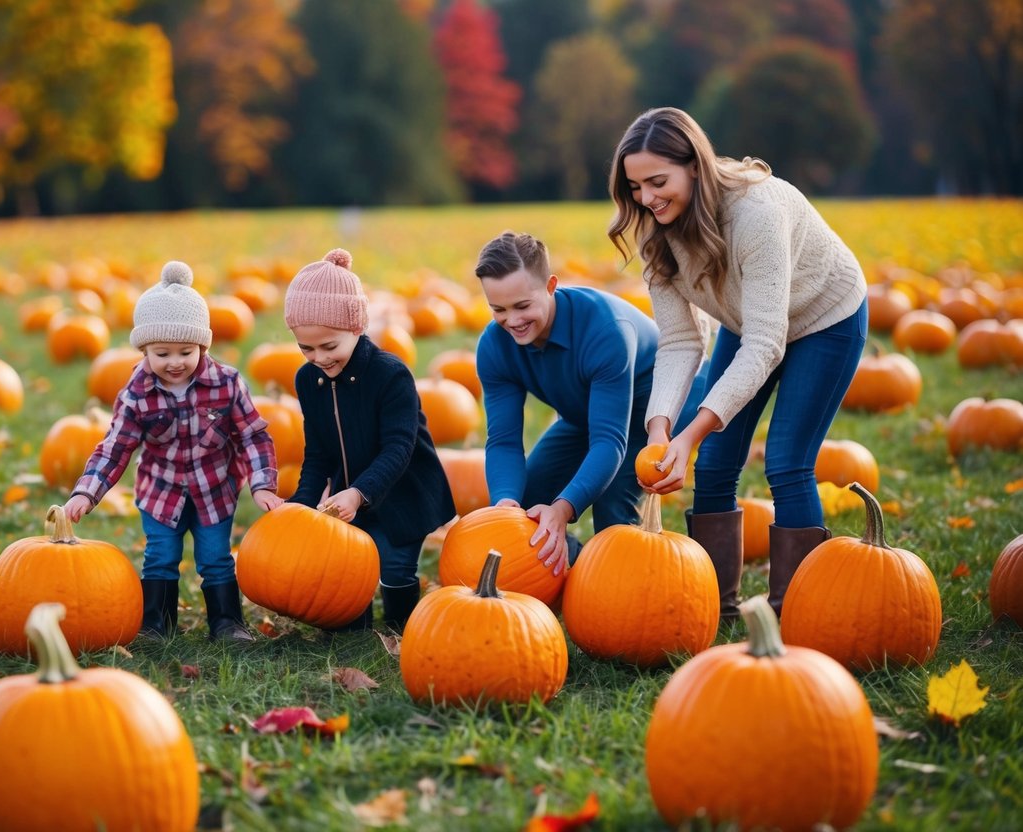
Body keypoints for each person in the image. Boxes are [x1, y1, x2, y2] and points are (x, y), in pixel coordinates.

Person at [607, 106, 868, 620]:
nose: (647, 199)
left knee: (788, 462)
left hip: (824, 317)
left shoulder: (756, 213)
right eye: (635, 187)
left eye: (658, 181)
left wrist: (690, 434)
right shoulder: (656, 235)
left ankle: (797, 615)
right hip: (750, 321)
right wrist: (661, 429)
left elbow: (767, 344)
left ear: (695, 167)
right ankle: (711, 606)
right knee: (718, 461)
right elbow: (681, 341)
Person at [64, 261, 283, 641]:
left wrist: (262, 483)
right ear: (144, 348)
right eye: (162, 353)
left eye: (186, 351)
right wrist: (87, 490)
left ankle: (227, 623)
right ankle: (156, 625)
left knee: (216, 559)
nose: (175, 362)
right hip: (161, 493)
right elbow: (116, 447)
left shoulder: (226, 384)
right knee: (160, 558)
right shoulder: (136, 393)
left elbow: (253, 435)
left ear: (202, 344)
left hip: (214, 490)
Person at [474, 231, 708, 577]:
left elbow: (609, 441)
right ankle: (579, 566)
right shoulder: (495, 347)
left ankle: (635, 588)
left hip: (662, 406)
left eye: (523, 306)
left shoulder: (604, 330)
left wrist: (563, 509)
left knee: (612, 505)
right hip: (585, 414)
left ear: (551, 285)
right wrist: (505, 503)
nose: (512, 320)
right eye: (498, 309)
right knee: (524, 500)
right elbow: (504, 440)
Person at [284, 248, 455, 633]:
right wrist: (299, 505)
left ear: (356, 328)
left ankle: (402, 626)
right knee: (350, 562)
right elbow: (318, 452)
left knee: (394, 561)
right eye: (305, 348)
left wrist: (359, 492)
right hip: (351, 491)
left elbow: (399, 448)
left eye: (329, 346)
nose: (318, 357)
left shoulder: (390, 375)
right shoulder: (307, 380)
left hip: (404, 489)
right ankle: (353, 625)